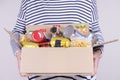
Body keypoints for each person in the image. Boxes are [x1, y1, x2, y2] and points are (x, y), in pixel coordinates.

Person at [10, 0, 104, 80]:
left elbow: (96, 31)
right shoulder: (29, 1)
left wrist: (98, 51)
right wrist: (17, 52)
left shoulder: (88, 1)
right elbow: (17, 31)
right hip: (39, 74)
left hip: (81, 74)